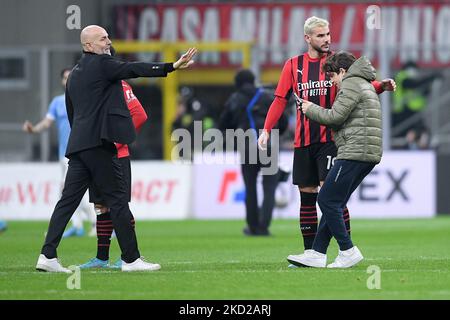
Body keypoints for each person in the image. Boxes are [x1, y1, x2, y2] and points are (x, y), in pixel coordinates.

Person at [35, 25, 196, 273]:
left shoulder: (75, 74)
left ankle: (47, 256)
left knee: (67, 201)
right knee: (118, 200)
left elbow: (72, 112)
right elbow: (133, 68)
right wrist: (171, 67)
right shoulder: (102, 65)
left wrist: (81, 135)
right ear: (88, 45)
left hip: (78, 145)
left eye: (108, 37)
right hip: (100, 145)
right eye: (103, 38)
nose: (108, 42)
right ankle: (131, 259)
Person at [258, 16, 395, 266]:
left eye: (328, 34)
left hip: (331, 139)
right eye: (321, 35)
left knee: (332, 196)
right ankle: (311, 253)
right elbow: (280, 99)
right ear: (308, 38)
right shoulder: (293, 65)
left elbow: (357, 86)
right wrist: (267, 129)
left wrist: (379, 85)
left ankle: (345, 249)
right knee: (307, 196)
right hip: (304, 140)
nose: (327, 39)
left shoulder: (336, 65)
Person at [287, 51, 382, 268]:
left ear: (342, 71)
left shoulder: (350, 84)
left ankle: (347, 250)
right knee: (335, 202)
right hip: (367, 151)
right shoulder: (363, 83)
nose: (332, 82)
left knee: (326, 200)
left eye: (332, 77)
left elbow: (334, 117)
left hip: (354, 151)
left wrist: (310, 108)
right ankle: (317, 254)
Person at [79, 47, 148, 269]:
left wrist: (118, 139)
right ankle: (101, 257)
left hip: (117, 155)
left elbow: (139, 114)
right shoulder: (98, 87)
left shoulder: (120, 85)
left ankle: (130, 256)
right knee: (101, 206)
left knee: (119, 206)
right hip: (97, 154)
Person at [23, 68, 96, 238]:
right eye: (65, 78)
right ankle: (78, 226)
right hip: (64, 154)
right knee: (69, 191)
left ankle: (95, 222)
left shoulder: (84, 99)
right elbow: (47, 123)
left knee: (68, 191)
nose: (67, 80)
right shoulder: (57, 102)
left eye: (70, 77)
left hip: (80, 151)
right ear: (62, 81)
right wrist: (33, 130)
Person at [218, 69, 288, 236]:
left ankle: (253, 226)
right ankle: (264, 227)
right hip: (268, 145)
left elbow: (222, 124)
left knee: (250, 187)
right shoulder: (267, 96)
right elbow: (283, 119)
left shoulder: (234, 99)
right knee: (269, 187)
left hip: (247, 146)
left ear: (238, 83)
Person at [392, 61, 438, 149]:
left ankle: (419, 146)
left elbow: (422, 92)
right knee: (407, 134)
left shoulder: (411, 79)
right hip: (401, 113)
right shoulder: (402, 77)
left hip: (411, 112)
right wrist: (431, 77)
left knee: (419, 131)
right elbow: (414, 85)